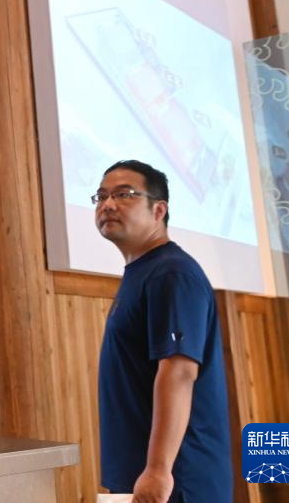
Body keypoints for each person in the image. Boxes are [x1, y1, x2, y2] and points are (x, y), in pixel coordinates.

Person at [94, 160, 232, 502]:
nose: (108, 204)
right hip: (143, 474)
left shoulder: (171, 273)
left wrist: (157, 469)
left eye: (123, 194)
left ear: (159, 210)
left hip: (177, 480)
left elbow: (180, 371)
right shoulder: (144, 272)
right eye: (101, 196)